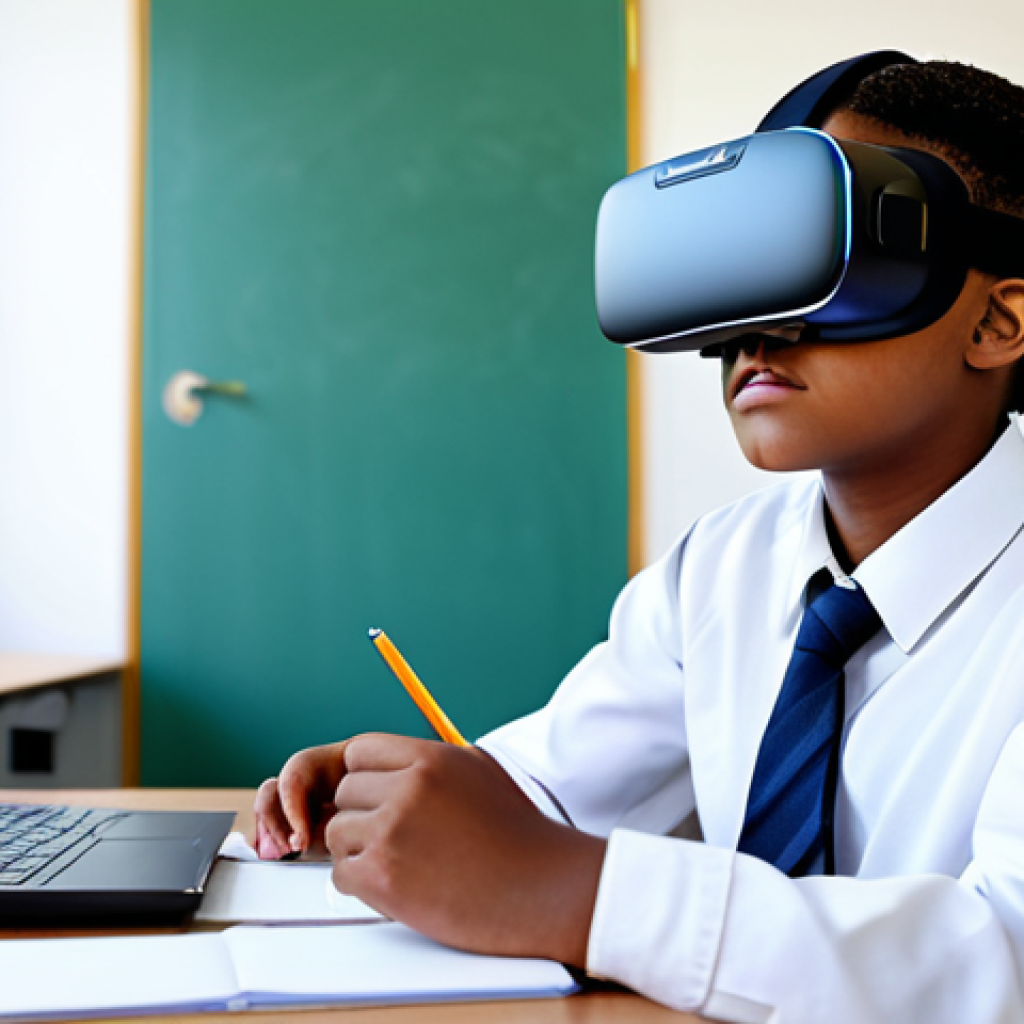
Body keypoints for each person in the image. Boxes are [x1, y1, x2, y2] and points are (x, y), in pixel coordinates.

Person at [253, 59, 1024, 1023]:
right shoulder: (723, 567)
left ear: (998, 319)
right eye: (742, 269)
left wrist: (576, 894)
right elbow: (562, 788)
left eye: (828, 254)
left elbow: (1003, 955)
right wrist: (423, 793)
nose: (758, 328)